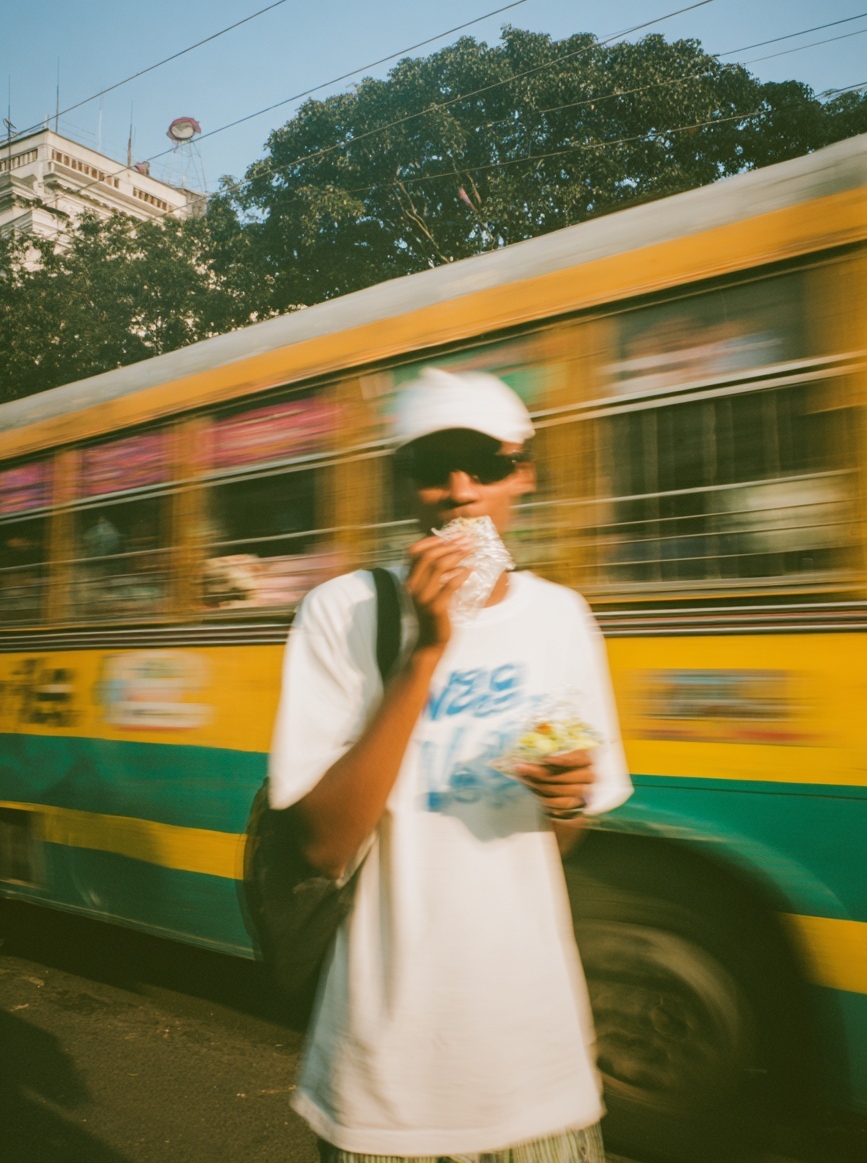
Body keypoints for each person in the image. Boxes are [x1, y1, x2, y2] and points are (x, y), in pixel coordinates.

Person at [269, 367, 632, 1163]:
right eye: (435, 468)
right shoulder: (343, 613)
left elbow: (558, 841)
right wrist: (427, 650)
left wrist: (566, 801)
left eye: (487, 466)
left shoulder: (560, 620)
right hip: (384, 1081)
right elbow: (322, 845)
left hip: (537, 1071)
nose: (461, 492)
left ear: (523, 475)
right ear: (406, 485)